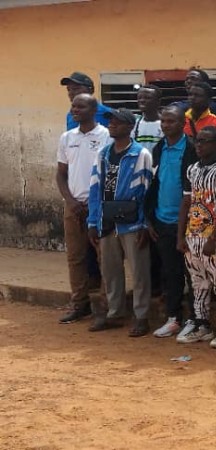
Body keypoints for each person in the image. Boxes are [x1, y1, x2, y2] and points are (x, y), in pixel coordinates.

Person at [85, 109, 154, 335]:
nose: (112, 125)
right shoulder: (103, 154)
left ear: (129, 126)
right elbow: (95, 189)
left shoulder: (140, 154)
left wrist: (144, 223)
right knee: (110, 270)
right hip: (107, 219)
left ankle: (141, 316)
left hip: (132, 220)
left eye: (117, 122)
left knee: (139, 271)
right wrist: (92, 221)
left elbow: (146, 192)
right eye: (110, 121)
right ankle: (115, 313)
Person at [175, 126, 216, 348]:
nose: (199, 145)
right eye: (197, 141)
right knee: (198, 282)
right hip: (193, 235)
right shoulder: (192, 169)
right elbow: (186, 203)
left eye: (205, 141)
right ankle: (202, 324)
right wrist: (181, 234)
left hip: (215, 238)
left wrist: (213, 238)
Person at [56, 94, 110, 324]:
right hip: (74, 207)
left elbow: (109, 172)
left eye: (81, 106)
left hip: (98, 207)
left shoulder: (106, 136)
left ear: (93, 109)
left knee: (104, 257)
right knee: (75, 257)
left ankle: (107, 307)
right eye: (73, 106)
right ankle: (79, 304)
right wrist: (70, 201)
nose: (75, 109)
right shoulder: (67, 138)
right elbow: (60, 174)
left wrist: (94, 203)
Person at [147, 106, 198, 338]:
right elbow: (152, 184)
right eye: (163, 121)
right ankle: (174, 318)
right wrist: (150, 219)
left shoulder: (192, 149)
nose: (166, 125)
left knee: (194, 274)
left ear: (182, 124)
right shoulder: (158, 149)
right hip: (162, 220)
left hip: (190, 222)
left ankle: (197, 319)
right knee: (171, 272)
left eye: (171, 121)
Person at [132, 85, 163, 150]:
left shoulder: (165, 124)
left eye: (147, 98)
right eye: (139, 97)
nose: (142, 100)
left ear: (158, 101)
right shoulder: (134, 124)